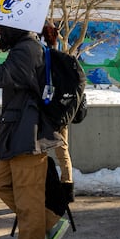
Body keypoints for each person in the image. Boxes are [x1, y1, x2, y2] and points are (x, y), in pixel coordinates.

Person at [0, 7, 70, 239]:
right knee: (0, 182)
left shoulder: (27, 49)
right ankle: (50, 222)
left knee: (28, 202)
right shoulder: (26, 48)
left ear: (16, 27)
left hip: (28, 135)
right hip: (19, 132)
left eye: (2, 28)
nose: (0, 32)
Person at [41, 24, 75, 202]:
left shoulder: (43, 57)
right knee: (63, 151)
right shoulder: (63, 57)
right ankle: (67, 187)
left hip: (47, 111)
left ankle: (46, 188)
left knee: (40, 151)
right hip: (62, 111)